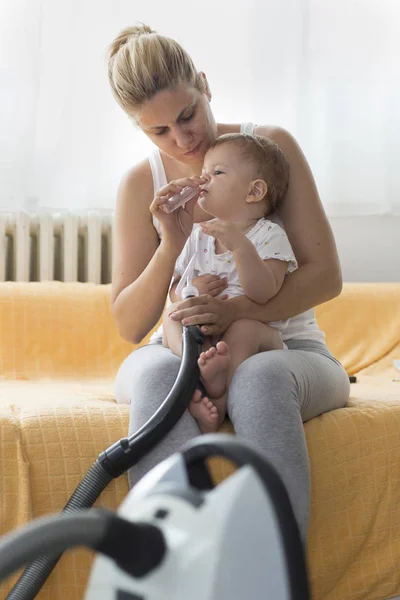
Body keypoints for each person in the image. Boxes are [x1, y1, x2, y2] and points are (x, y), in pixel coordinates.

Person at [108, 23, 350, 544]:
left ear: (204, 84)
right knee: (159, 381)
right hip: (178, 350)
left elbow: (326, 276)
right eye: (160, 132)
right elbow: (129, 325)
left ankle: (271, 577)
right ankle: (172, 568)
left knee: (258, 379)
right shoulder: (139, 185)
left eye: (187, 115)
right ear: (140, 131)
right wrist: (170, 244)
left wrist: (237, 313)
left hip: (288, 346)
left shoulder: (267, 150)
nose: (183, 139)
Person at [161, 132, 298, 434]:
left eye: (217, 173)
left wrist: (240, 247)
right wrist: (192, 287)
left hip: (255, 338)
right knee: (171, 316)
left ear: (255, 191)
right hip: (204, 336)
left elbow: (264, 293)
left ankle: (219, 402)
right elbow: (175, 291)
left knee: (243, 329)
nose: (204, 180)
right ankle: (193, 375)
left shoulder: (268, 235)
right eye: (204, 173)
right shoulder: (198, 234)